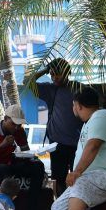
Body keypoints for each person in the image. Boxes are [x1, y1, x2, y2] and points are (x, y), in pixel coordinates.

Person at [0, 104, 47, 210]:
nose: (16, 128)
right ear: (5, 119)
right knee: (3, 168)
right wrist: (2, 145)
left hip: (8, 164)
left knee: (38, 166)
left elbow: (25, 153)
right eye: (13, 124)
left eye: (19, 125)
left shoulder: (19, 131)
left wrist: (34, 156)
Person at [28, 58, 84, 196]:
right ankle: (61, 207)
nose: (54, 77)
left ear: (68, 72)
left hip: (79, 144)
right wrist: (46, 69)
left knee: (80, 179)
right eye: (52, 74)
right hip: (57, 144)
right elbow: (28, 83)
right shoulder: (50, 89)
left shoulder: (80, 88)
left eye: (57, 74)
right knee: (59, 180)